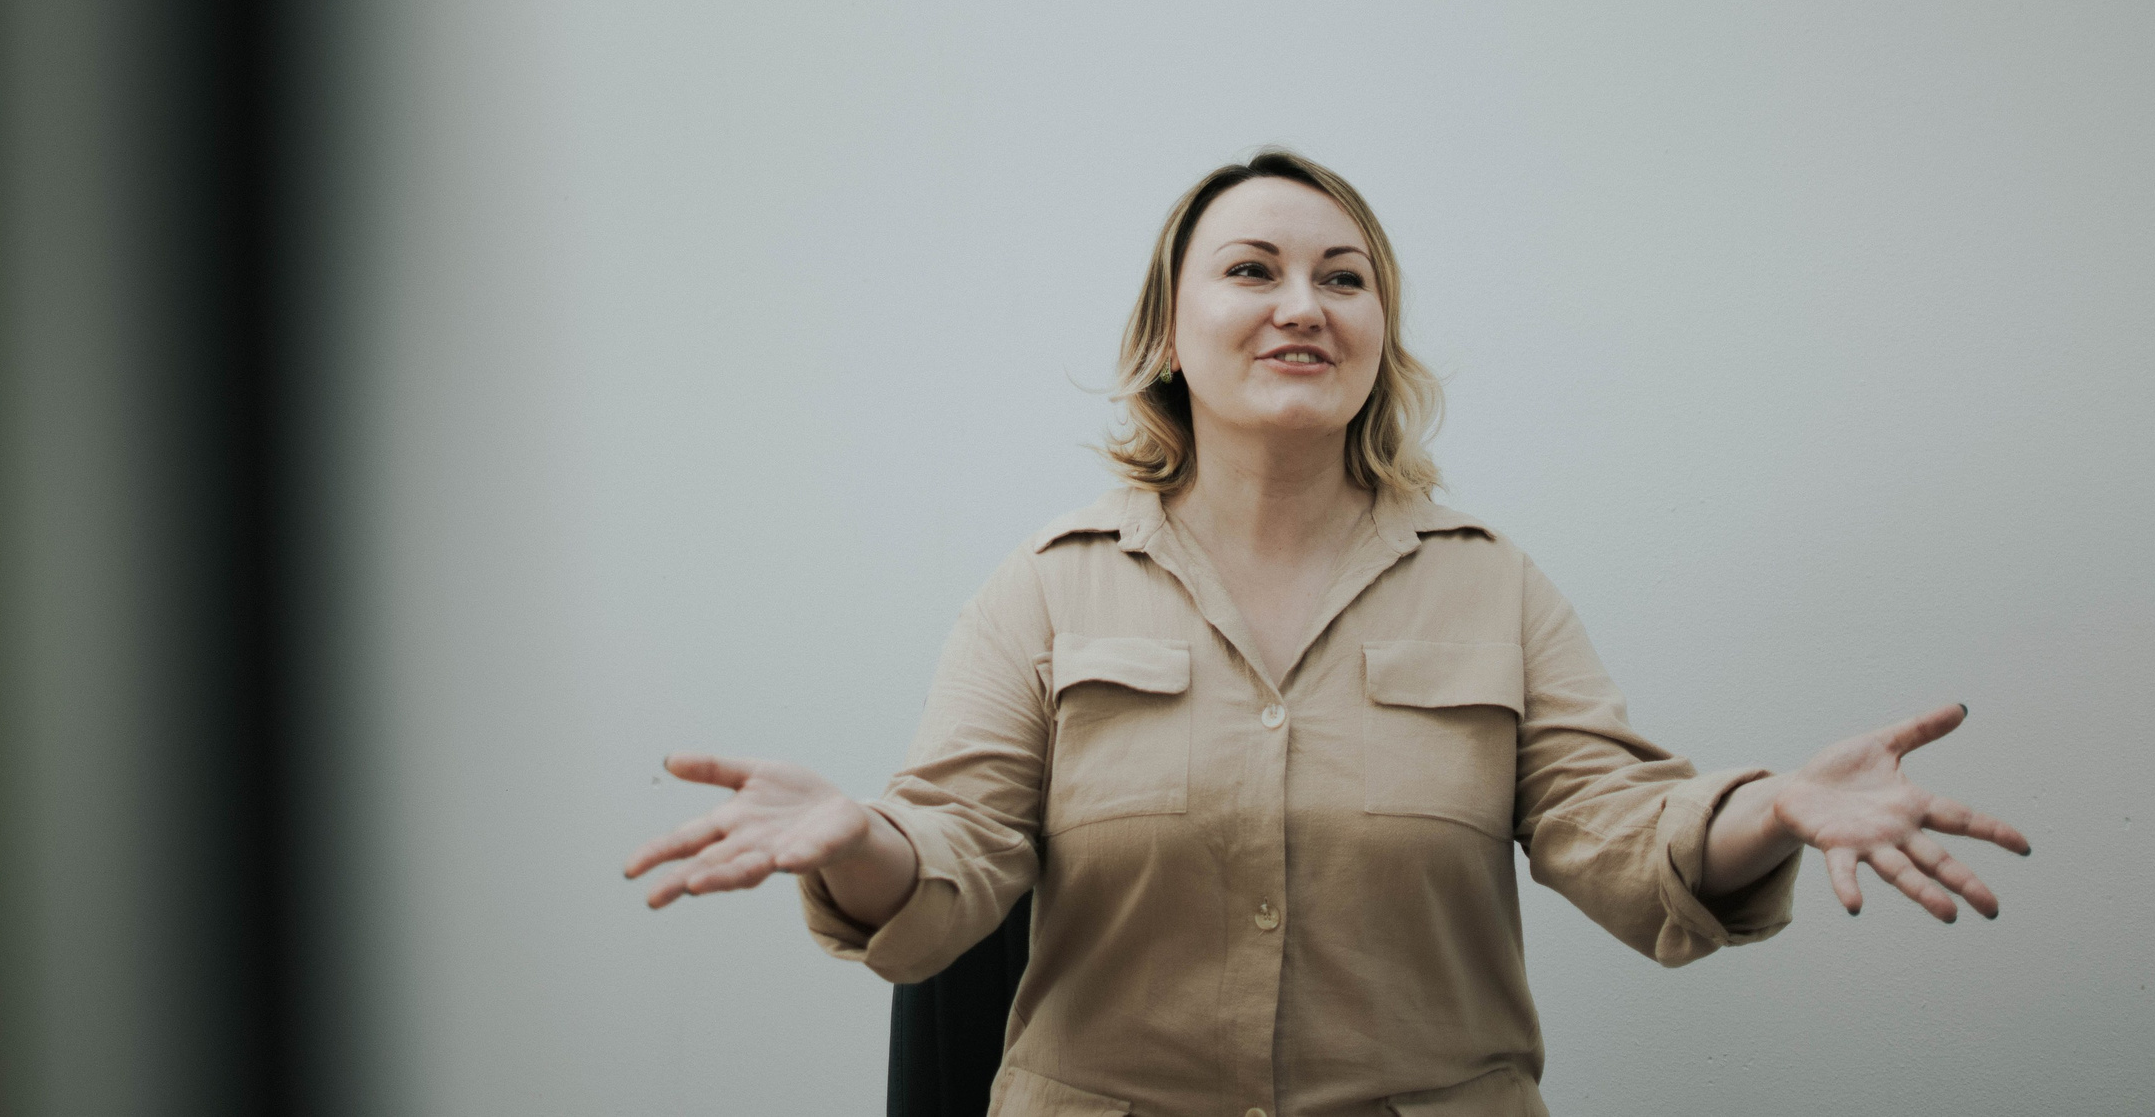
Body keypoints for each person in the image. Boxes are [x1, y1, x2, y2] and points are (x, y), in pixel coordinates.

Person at [625, 151, 2030, 1117]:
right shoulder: (1046, 590)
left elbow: (1621, 836)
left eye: (1345, 279)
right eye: (1254, 270)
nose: (1304, 303)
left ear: (1378, 339)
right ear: (1171, 331)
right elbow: (953, 866)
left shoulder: (1495, 589)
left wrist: (1766, 806)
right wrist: (856, 838)